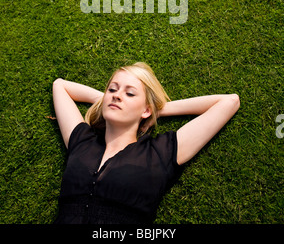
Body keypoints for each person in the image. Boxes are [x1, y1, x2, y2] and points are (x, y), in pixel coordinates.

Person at [52, 62, 240, 224]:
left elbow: (230, 101)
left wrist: (158, 109)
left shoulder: (159, 154)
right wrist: (105, 100)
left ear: (146, 111)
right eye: (112, 89)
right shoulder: (82, 140)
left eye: (130, 93)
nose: (117, 95)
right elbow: (60, 86)